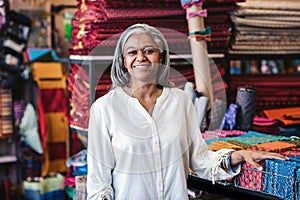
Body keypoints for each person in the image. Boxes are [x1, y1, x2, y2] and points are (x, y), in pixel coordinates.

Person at [87, 23, 288, 200]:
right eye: (132, 53)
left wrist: (239, 155)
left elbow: (199, 159)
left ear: (161, 57)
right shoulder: (105, 109)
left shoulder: (180, 101)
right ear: (123, 60)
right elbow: (99, 182)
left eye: (149, 51)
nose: (141, 57)